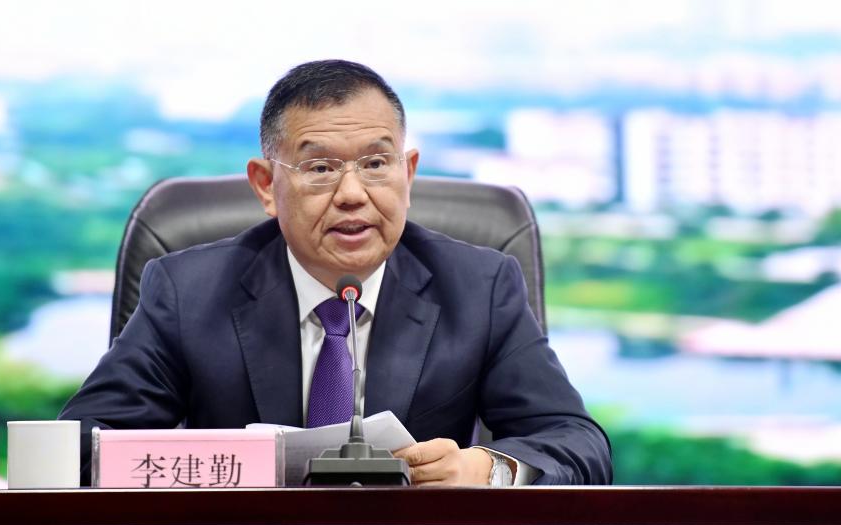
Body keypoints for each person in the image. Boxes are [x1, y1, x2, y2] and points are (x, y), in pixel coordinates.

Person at [59, 60, 612, 486]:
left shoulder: (480, 287)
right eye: (320, 167)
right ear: (265, 185)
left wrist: (486, 469)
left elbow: (577, 444)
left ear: (408, 173)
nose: (352, 194)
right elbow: (80, 450)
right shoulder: (188, 292)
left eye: (375, 164)